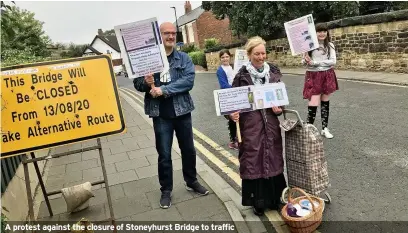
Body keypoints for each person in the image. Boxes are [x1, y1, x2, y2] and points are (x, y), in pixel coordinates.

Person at [133, 22, 209, 209]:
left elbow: (188, 81)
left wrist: (164, 90)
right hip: (160, 115)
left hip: (182, 111)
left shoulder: (183, 58)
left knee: (189, 150)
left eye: (173, 33)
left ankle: (191, 181)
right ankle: (166, 190)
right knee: (164, 154)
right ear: (159, 36)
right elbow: (137, 84)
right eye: (167, 33)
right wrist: (145, 81)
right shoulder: (148, 59)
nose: (171, 36)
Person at [229, 36, 287, 216]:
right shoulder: (241, 76)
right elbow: (231, 103)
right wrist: (232, 114)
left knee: (273, 158)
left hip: (271, 125)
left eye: (263, 53)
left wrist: (279, 110)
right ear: (249, 54)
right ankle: (258, 201)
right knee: (254, 159)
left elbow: (281, 101)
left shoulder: (274, 73)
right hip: (251, 126)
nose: (261, 57)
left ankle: (275, 199)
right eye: (257, 54)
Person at [302, 24, 339, 139]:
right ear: (314, 33)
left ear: (327, 33)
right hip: (313, 75)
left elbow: (333, 61)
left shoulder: (330, 45)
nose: (322, 33)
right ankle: (308, 130)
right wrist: (306, 61)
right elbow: (303, 63)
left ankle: (324, 128)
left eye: (324, 31)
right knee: (313, 102)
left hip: (327, 74)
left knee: (325, 101)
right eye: (319, 31)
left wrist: (316, 63)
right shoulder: (309, 46)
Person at [216, 49, 238, 150]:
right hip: (228, 96)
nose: (225, 59)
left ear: (230, 57)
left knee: (240, 116)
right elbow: (223, 84)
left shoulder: (234, 67)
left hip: (237, 95)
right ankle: (233, 140)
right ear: (220, 59)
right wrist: (235, 89)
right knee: (232, 118)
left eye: (226, 56)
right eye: (222, 57)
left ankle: (240, 138)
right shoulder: (220, 70)